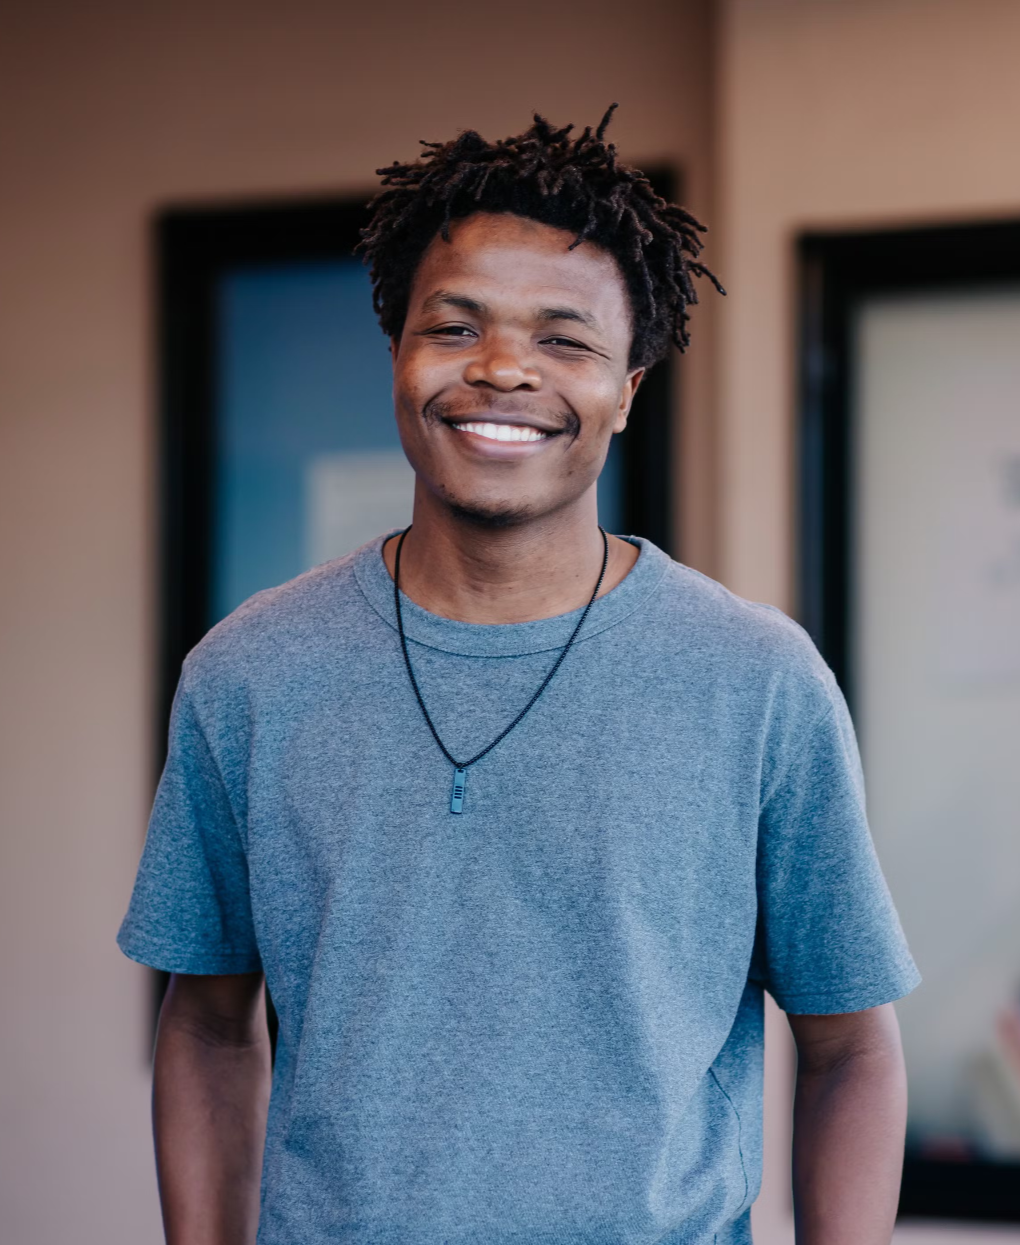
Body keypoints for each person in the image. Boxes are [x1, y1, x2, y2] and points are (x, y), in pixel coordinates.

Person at [118, 106, 920, 1245]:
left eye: (565, 339)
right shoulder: (249, 675)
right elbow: (204, 1025)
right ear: (397, 351)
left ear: (630, 387)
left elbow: (851, 1047)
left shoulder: (756, 680)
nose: (502, 370)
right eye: (456, 327)